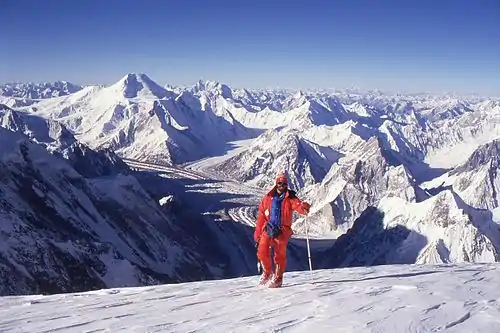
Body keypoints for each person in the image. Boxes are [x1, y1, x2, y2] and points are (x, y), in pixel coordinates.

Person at [253, 171, 311, 288]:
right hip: (269, 227)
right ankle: (267, 273)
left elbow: (298, 205)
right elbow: (261, 217)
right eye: (279, 183)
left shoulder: (290, 198)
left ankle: (278, 278)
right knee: (262, 252)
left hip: (282, 230)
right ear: (276, 184)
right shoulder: (268, 198)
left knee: (279, 255)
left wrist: (303, 207)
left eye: (284, 184)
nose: (281, 186)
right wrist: (257, 234)